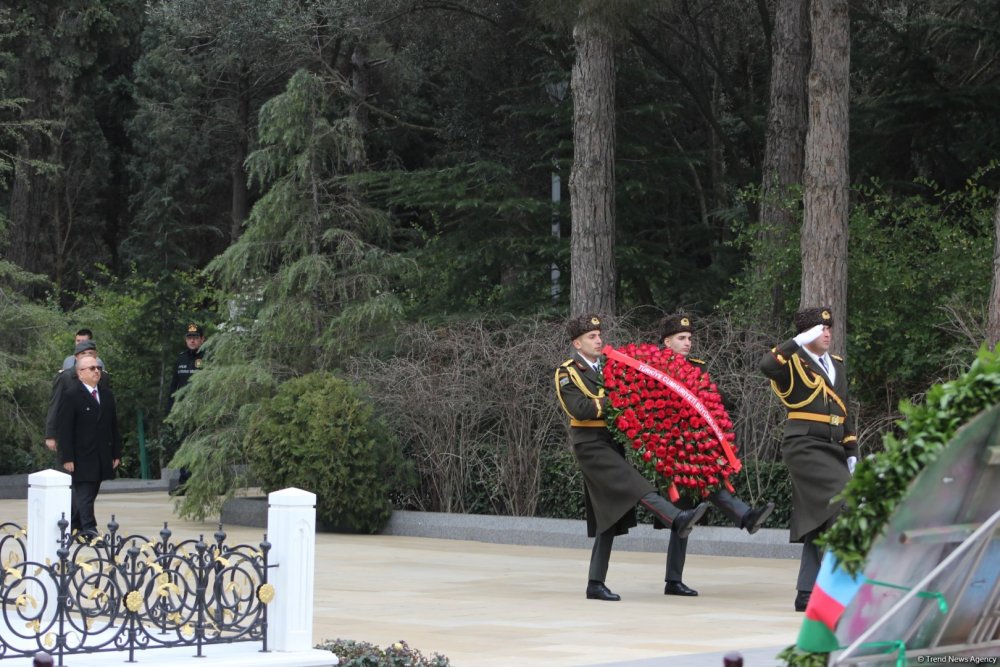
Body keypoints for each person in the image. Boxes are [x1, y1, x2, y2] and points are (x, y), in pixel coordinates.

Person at [554, 313, 709, 601]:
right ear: (577, 343)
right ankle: (676, 517)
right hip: (590, 444)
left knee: (608, 517)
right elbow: (581, 409)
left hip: (612, 441)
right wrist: (618, 400)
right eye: (591, 336)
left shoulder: (610, 367)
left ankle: (595, 584)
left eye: (599, 335)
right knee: (633, 482)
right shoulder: (568, 372)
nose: (599, 340)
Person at [656, 314, 775, 597]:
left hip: (696, 445)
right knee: (686, 509)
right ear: (666, 341)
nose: (687, 343)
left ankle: (674, 579)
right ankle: (746, 517)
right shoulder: (654, 368)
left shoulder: (697, 368)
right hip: (670, 448)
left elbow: (713, 402)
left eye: (689, 338)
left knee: (687, 512)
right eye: (681, 338)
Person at [759, 307, 858, 612]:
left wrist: (852, 449)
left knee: (819, 519)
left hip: (832, 446)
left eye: (828, 328)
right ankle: (842, 587)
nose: (826, 333)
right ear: (806, 335)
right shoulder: (792, 363)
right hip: (804, 445)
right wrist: (795, 342)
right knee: (845, 505)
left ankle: (806, 593)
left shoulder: (837, 366)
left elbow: (844, 411)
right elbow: (766, 365)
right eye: (819, 329)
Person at [55, 351, 121, 539]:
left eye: (99, 368)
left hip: (101, 453)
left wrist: (116, 453)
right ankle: (90, 531)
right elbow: (65, 429)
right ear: (80, 372)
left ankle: (75, 527)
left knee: (90, 493)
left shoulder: (106, 395)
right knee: (85, 493)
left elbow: (113, 427)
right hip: (81, 454)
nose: (97, 371)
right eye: (92, 368)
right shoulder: (71, 394)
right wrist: (67, 457)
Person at [45, 341, 110, 453]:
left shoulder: (103, 376)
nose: (87, 356)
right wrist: (50, 435)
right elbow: (55, 405)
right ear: (76, 357)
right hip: (72, 433)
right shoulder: (65, 377)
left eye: (90, 353)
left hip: (97, 434)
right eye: (83, 353)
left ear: (96, 355)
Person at [167, 323, 206, 412]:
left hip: (202, 409)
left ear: (202, 339)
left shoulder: (208, 357)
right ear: (186, 340)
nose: (192, 341)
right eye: (189, 338)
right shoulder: (181, 358)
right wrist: (170, 408)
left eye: (195, 338)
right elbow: (174, 385)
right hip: (182, 409)